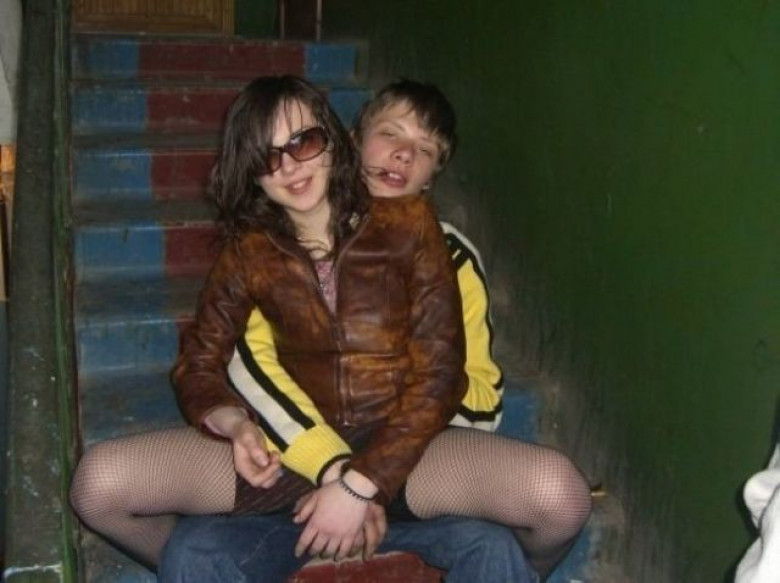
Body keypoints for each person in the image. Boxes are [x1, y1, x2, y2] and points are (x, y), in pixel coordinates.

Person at [69, 76, 591, 581]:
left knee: (560, 494)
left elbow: (442, 374)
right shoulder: (248, 254)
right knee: (98, 485)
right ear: (250, 171)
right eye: (268, 155)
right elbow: (200, 362)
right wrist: (234, 423)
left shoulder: (413, 226)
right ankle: (242, 555)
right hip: (290, 448)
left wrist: (360, 485)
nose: (290, 165)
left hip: (403, 450)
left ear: (334, 141)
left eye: (304, 141)